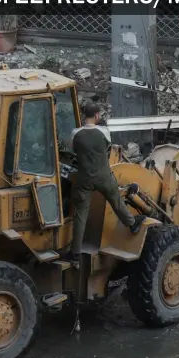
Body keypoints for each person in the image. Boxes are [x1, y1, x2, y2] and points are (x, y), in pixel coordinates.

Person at [69, 102, 145, 262]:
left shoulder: (75, 133)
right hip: (103, 176)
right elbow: (107, 147)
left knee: (81, 213)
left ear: (84, 115)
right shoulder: (103, 132)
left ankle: (75, 252)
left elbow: (74, 150)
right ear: (96, 115)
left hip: (84, 179)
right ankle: (132, 224)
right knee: (115, 199)